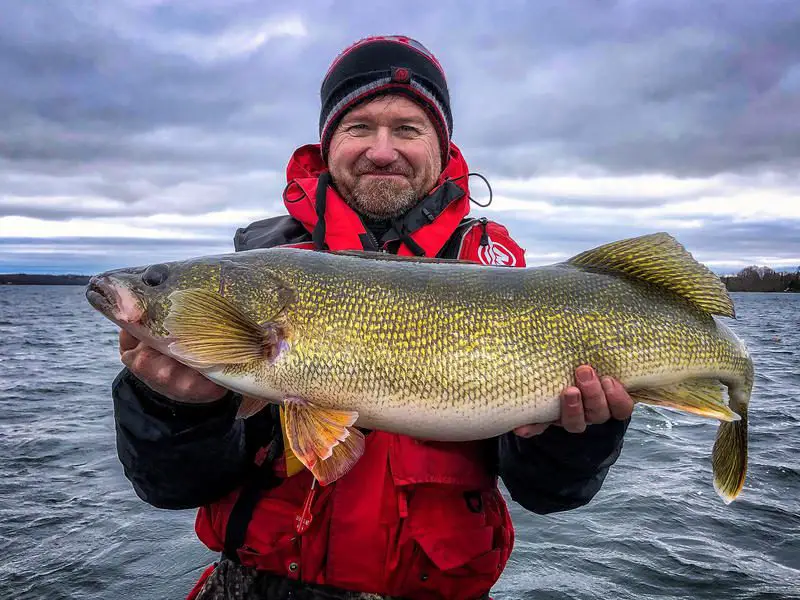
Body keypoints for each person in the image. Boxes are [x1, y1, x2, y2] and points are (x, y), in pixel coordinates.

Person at [112, 36, 634, 600]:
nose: (382, 150)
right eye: (359, 127)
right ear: (327, 144)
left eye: (407, 129)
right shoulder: (255, 280)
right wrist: (172, 408)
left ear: (442, 147)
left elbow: (549, 494)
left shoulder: (506, 282)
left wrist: (577, 439)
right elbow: (170, 487)